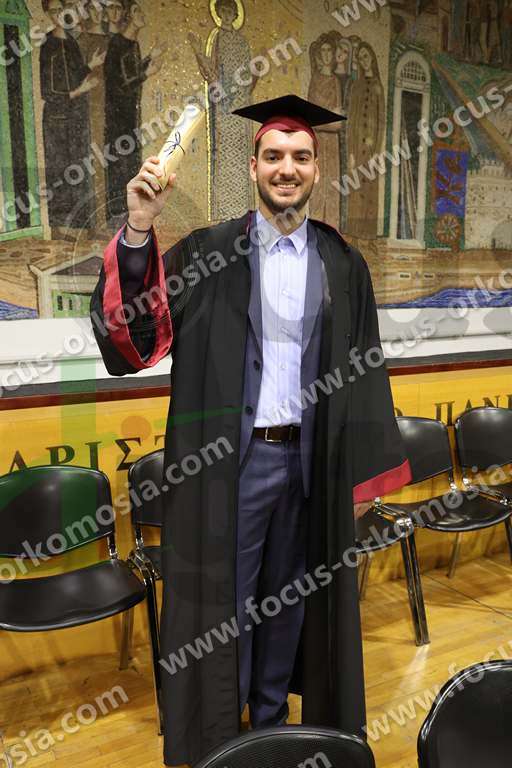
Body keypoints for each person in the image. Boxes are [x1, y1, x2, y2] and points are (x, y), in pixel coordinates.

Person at [91, 94, 411, 766]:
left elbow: (365, 364)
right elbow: (135, 339)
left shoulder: (341, 262)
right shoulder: (208, 253)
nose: (286, 168)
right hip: (230, 466)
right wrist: (140, 228)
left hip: (310, 464)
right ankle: (219, 740)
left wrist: (360, 471)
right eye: (273, 156)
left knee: (289, 602)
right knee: (223, 608)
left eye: (300, 157)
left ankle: (272, 725)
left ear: (317, 169)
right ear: (254, 166)